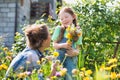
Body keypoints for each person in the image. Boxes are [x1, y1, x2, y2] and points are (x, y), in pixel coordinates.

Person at [52, 7, 82, 80]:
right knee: (57, 77)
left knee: (70, 77)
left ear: (73, 17)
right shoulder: (59, 29)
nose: (64, 20)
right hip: (58, 59)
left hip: (71, 59)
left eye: (66, 17)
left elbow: (78, 49)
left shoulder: (77, 31)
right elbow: (54, 45)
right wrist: (63, 45)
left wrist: (74, 52)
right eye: (61, 19)